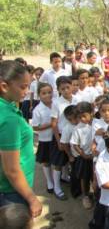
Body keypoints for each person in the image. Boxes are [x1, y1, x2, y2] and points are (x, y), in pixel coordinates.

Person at [0, 60, 42, 218]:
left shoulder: (8, 106)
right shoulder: (9, 119)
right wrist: (32, 199)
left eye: (28, 86)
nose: (27, 91)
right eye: (23, 87)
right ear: (4, 87)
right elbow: (11, 170)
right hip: (12, 193)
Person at [51, 76, 78, 200]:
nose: (66, 90)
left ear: (72, 86)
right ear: (59, 90)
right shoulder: (56, 102)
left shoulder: (77, 99)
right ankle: (56, 187)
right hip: (62, 136)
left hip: (75, 135)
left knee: (69, 159)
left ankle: (65, 176)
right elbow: (54, 123)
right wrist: (58, 141)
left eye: (68, 87)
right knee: (59, 162)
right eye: (63, 88)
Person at [70, 102, 94, 209]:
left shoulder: (95, 124)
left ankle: (97, 194)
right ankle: (85, 196)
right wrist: (83, 154)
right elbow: (74, 144)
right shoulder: (77, 128)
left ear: (91, 113)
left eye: (85, 116)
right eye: (80, 117)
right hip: (84, 157)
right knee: (84, 178)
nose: (82, 119)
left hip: (95, 156)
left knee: (95, 177)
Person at [32, 83, 54, 193]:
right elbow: (35, 126)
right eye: (44, 93)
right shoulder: (38, 110)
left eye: (49, 92)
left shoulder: (55, 104)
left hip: (56, 138)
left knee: (57, 160)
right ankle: (49, 182)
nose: (47, 95)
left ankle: (61, 177)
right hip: (45, 139)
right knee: (46, 161)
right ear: (39, 95)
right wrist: (51, 124)